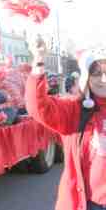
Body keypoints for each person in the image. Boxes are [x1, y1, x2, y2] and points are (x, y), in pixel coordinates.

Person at [26, 40, 106, 210]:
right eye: (97, 73)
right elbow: (38, 107)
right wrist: (39, 60)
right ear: (87, 76)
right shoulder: (75, 110)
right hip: (89, 204)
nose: (103, 79)